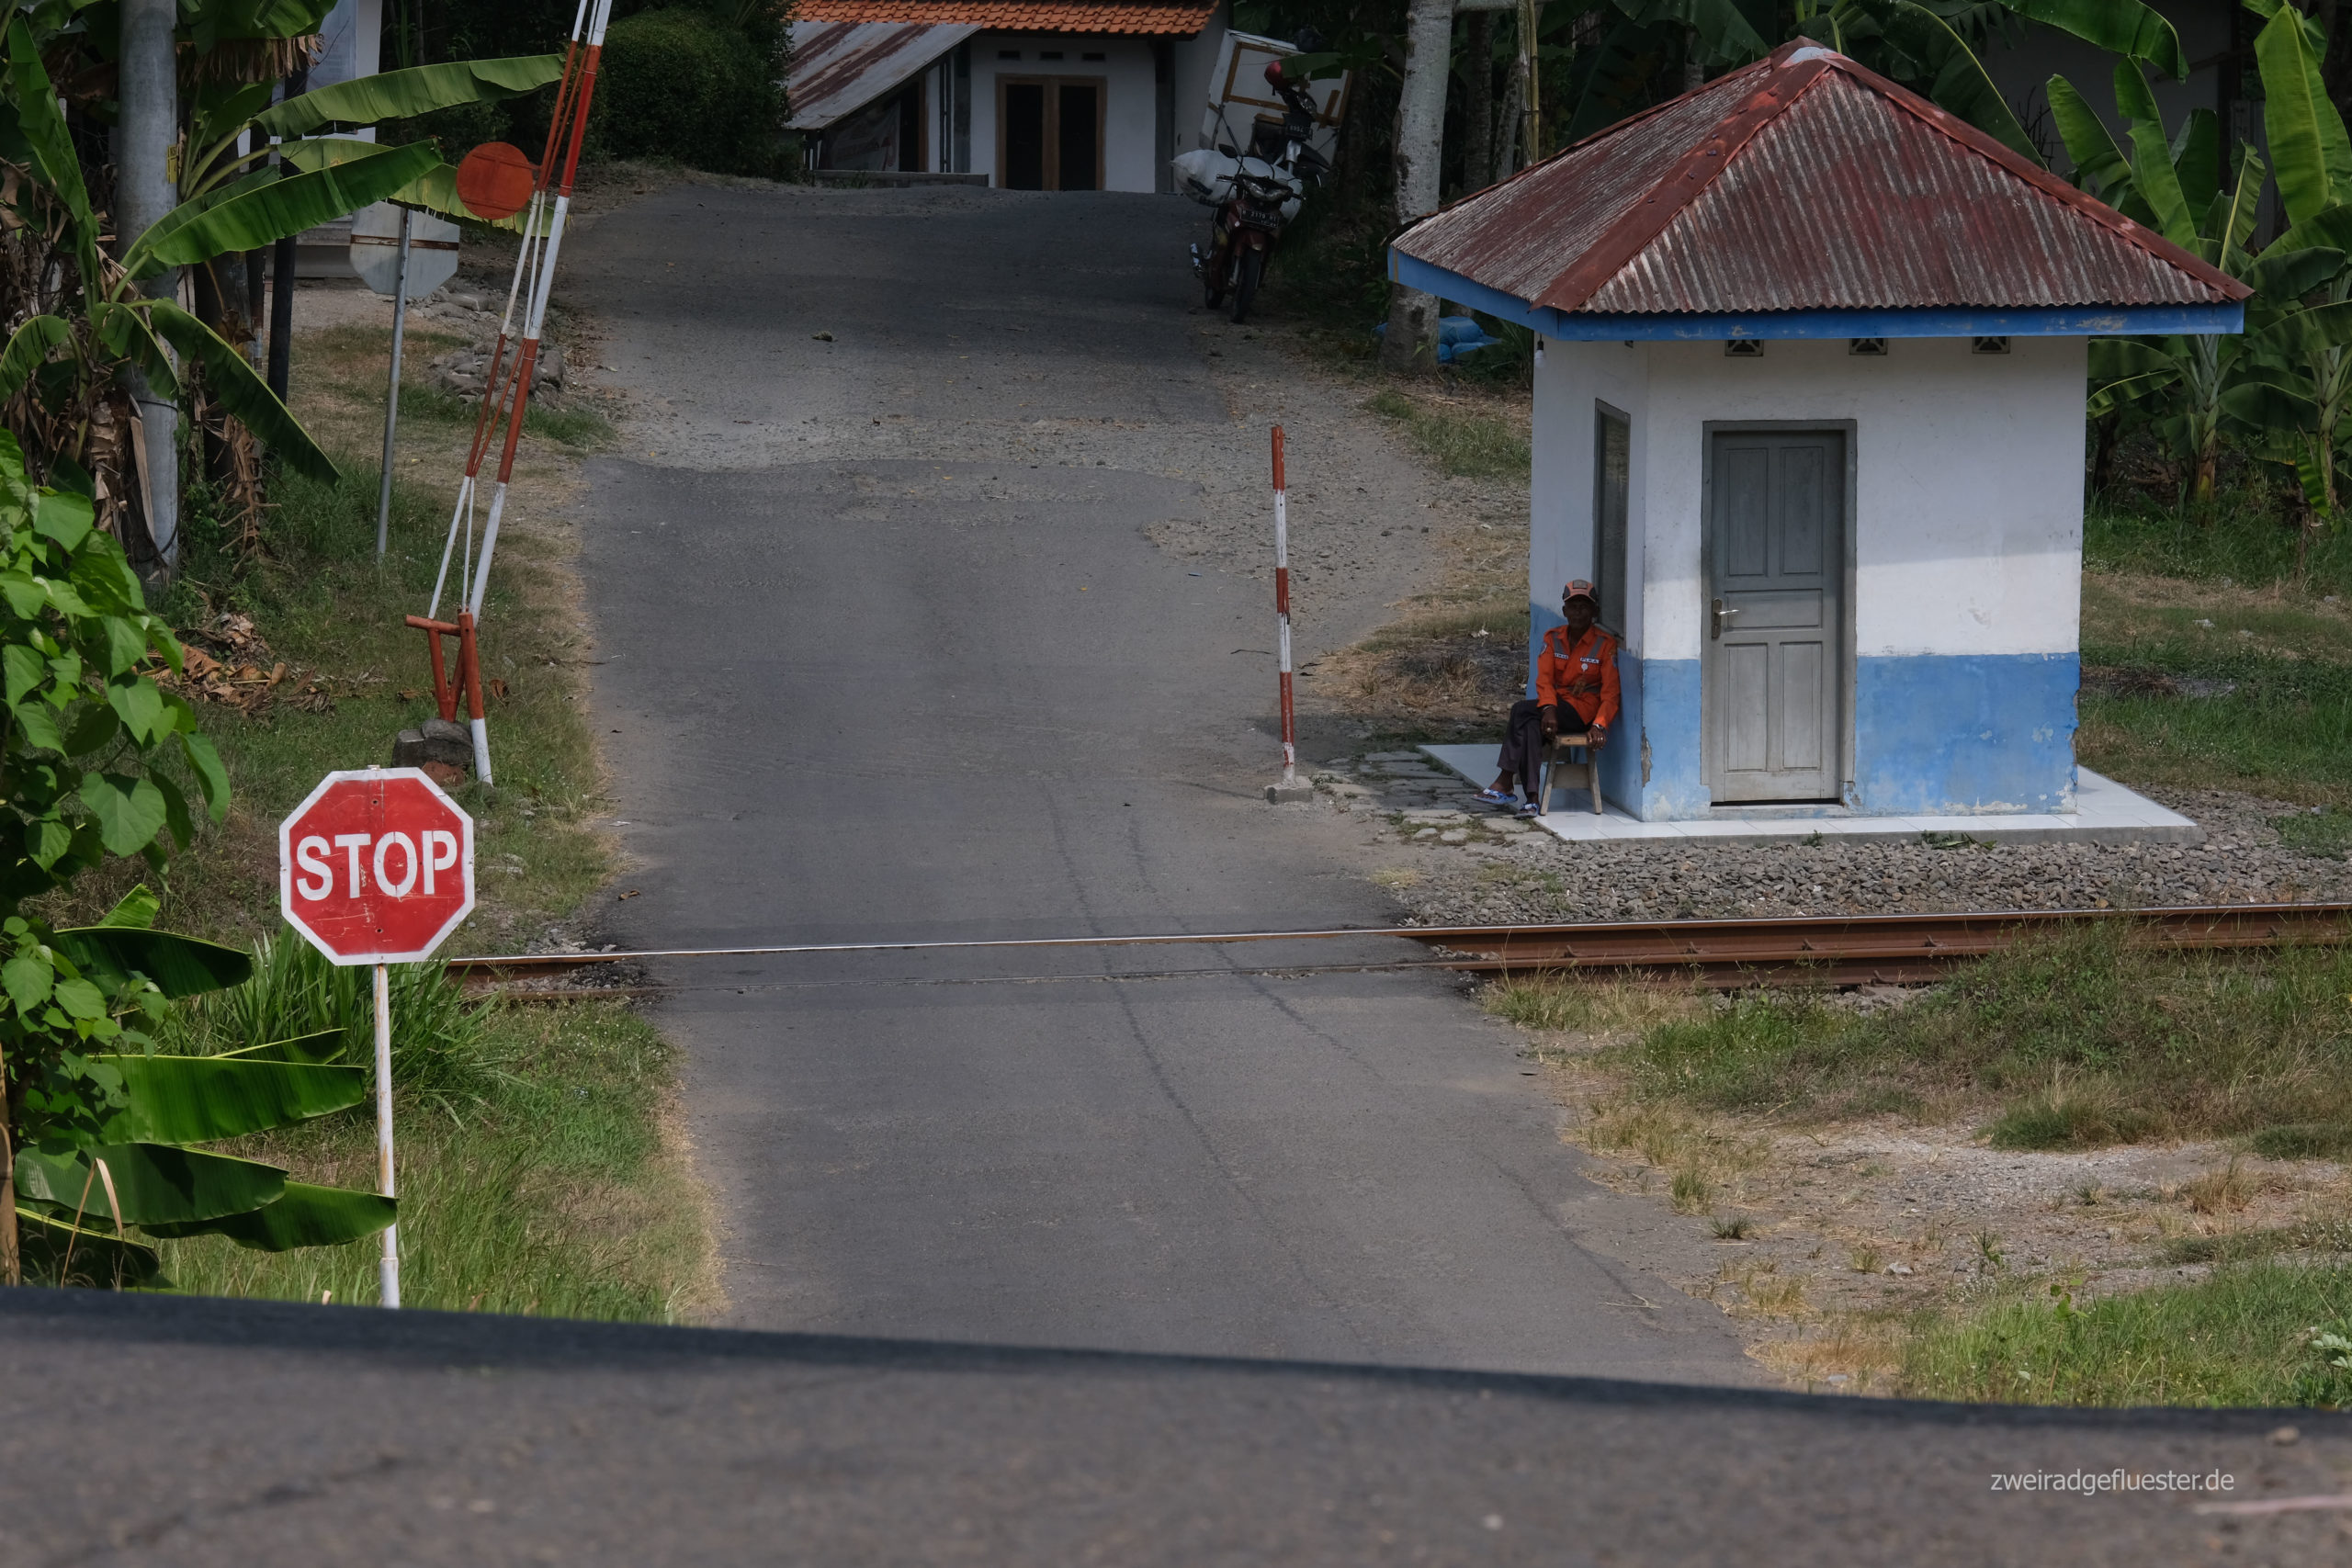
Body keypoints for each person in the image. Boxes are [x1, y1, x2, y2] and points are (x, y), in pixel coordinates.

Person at [1477, 580, 1621, 814]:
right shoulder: (1553, 638)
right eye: (1572, 606)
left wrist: (1599, 724)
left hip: (1583, 711)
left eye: (1584, 606)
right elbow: (1544, 679)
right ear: (1564, 611)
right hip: (1557, 707)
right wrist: (1548, 709)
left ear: (1595, 612)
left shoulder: (1605, 645)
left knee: (1520, 710)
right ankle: (1532, 799)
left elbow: (1611, 693)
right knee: (1532, 726)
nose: (1578, 612)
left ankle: (1504, 779)